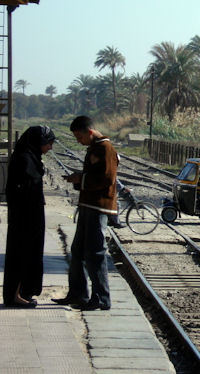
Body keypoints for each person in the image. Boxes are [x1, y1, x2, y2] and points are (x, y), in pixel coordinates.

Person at [52, 116, 118, 311]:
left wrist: (80, 179)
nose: (78, 141)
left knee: (95, 253)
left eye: (79, 137)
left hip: (99, 207)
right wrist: (79, 180)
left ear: (89, 132)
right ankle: (78, 294)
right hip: (88, 206)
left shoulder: (105, 148)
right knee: (78, 251)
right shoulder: (95, 148)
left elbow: (106, 178)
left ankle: (101, 298)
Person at [3, 126, 56, 308]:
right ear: (38, 142)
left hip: (30, 215)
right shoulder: (24, 159)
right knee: (21, 254)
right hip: (24, 217)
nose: (50, 147)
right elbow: (22, 190)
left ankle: (23, 292)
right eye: (48, 143)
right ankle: (15, 296)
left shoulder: (29, 157)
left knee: (29, 253)